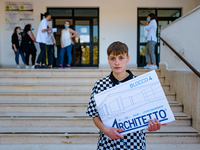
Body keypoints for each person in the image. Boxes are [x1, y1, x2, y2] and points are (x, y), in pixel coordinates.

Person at [86, 41, 166, 150]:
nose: (117, 62)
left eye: (121, 58)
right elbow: (94, 114)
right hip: (108, 143)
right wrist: (104, 129)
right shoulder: (100, 85)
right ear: (108, 60)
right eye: (112, 58)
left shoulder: (141, 83)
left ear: (127, 59)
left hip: (134, 143)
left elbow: (149, 113)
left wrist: (152, 124)